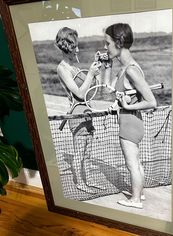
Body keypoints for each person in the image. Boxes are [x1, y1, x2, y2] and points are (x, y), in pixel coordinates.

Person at [102, 23, 157, 208]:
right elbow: (107, 89)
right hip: (133, 122)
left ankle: (134, 200)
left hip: (129, 124)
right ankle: (139, 194)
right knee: (136, 162)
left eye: (107, 43)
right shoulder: (126, 68)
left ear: (118, 43)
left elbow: (151, 102)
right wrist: (107, 65)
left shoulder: (131, 70)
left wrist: (125, 105)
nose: (105, 47)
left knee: (132, 164)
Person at [55, 27, 102, 194]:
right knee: (79, 153)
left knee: (88, 152)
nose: (78, 49)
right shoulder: (63, 68)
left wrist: (96, 67)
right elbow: (80, 93)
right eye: (75, 46)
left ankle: (89, 181)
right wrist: (90, 73)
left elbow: (94, 88)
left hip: (88, 113)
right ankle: (80, 183)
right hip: (77, 115)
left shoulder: (74, 67)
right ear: (68, 47)